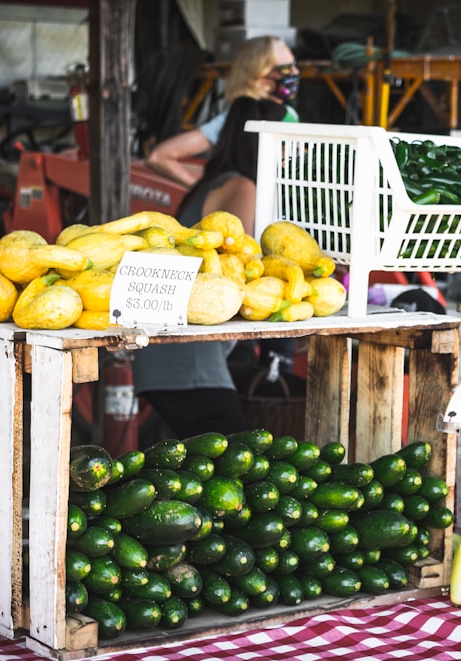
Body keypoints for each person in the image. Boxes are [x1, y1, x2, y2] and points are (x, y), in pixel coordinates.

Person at [133, 40, 300, 442]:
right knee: (241, 460)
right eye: (285, 148)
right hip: (187, 365)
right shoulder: (242, 189)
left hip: (174, 357)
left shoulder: (220, 183)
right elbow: (237, 270)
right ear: (263, 145)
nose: (289, 158)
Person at [144, 35, 300, 189]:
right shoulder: (237, 116)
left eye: (294, 64)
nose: (295, 72)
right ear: (258, 73)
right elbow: (159, 157)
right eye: (285, 68)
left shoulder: (287, 111)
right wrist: (201, 191)